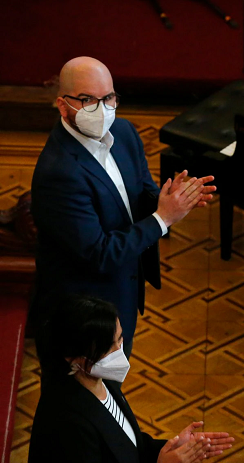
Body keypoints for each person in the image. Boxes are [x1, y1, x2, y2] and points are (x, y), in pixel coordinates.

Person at [30, 56, 216, 359]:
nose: (102, 109)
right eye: (87, 100)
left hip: (122, 297)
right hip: (83, 319)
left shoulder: (126, 133)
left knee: (114, 390)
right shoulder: (59, 173)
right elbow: (99, 254)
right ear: (63, 106)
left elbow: (140, 191)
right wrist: (163, 217)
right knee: (89, 402)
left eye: (108, 98)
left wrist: (173, 198)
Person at [26, 294, 235, 463]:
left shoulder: (100, 379)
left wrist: (176, 447)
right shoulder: (68, 423)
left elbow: (123, 443)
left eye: (120, 339)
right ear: (74, 356)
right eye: (109, 347)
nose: (119, 353)